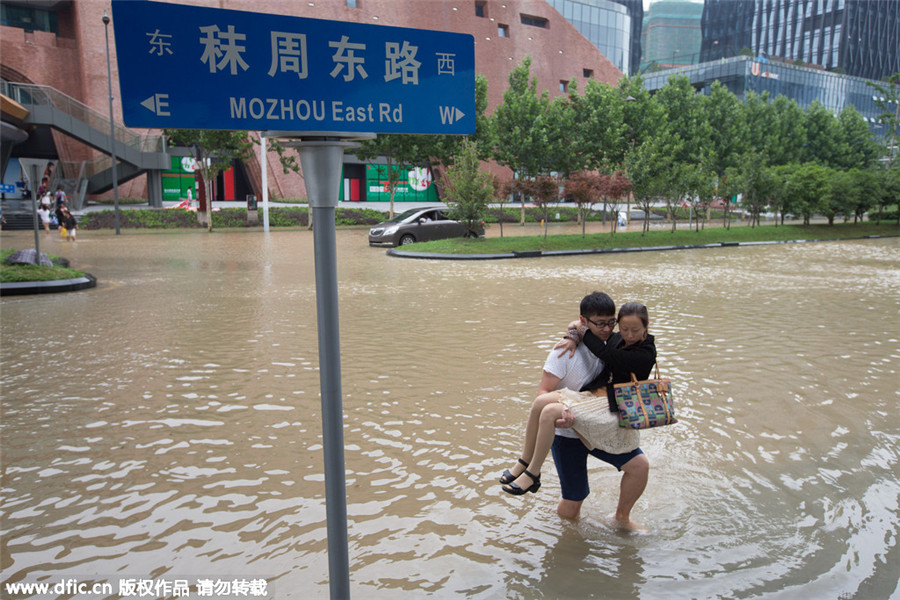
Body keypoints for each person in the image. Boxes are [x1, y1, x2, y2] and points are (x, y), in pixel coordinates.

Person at [500, 301, 656, 531]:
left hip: (614, 406)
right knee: (541, 402)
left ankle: (621, 518)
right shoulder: (584, 344)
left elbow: (605, 353)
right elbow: (576, 324)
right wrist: (573, 335)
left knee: (640, 466)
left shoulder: (644, 353)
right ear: (617, 325)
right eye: (624, 328)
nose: (629, 335)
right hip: (589, 402)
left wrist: (582, 332)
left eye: (635, 330)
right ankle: (526, 464)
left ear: (646, 327)